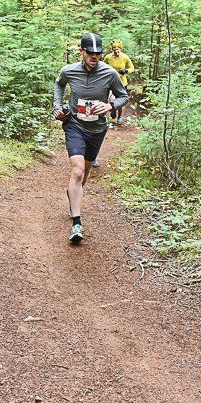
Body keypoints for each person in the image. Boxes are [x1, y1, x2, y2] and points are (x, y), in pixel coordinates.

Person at [53, 33, 129, 244]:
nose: (94, 57)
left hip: (96, 129)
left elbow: (123, 96)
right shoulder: (69, 71)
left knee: (85, 173)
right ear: (82, 51)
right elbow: (59, 84)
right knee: (77, 171)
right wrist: (57, 107)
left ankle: (72, 193)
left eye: (98, 53)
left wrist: (109, 106)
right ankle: (76, 223)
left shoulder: (109, 73)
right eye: (90, 53)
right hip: (74, 125)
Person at [103, 40, 135, 127]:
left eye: (118, 49)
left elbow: (132, 68)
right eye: (115, 50)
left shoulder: (125, 57)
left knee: (120, 100)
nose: (116, 51)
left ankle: (119, 117)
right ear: (112, 50)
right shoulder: (108, 57)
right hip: (110, 81)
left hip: (122, 82)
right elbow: (102, 66)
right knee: (109, 98)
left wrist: (126, 71)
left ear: (120, 49)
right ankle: (110, 111)